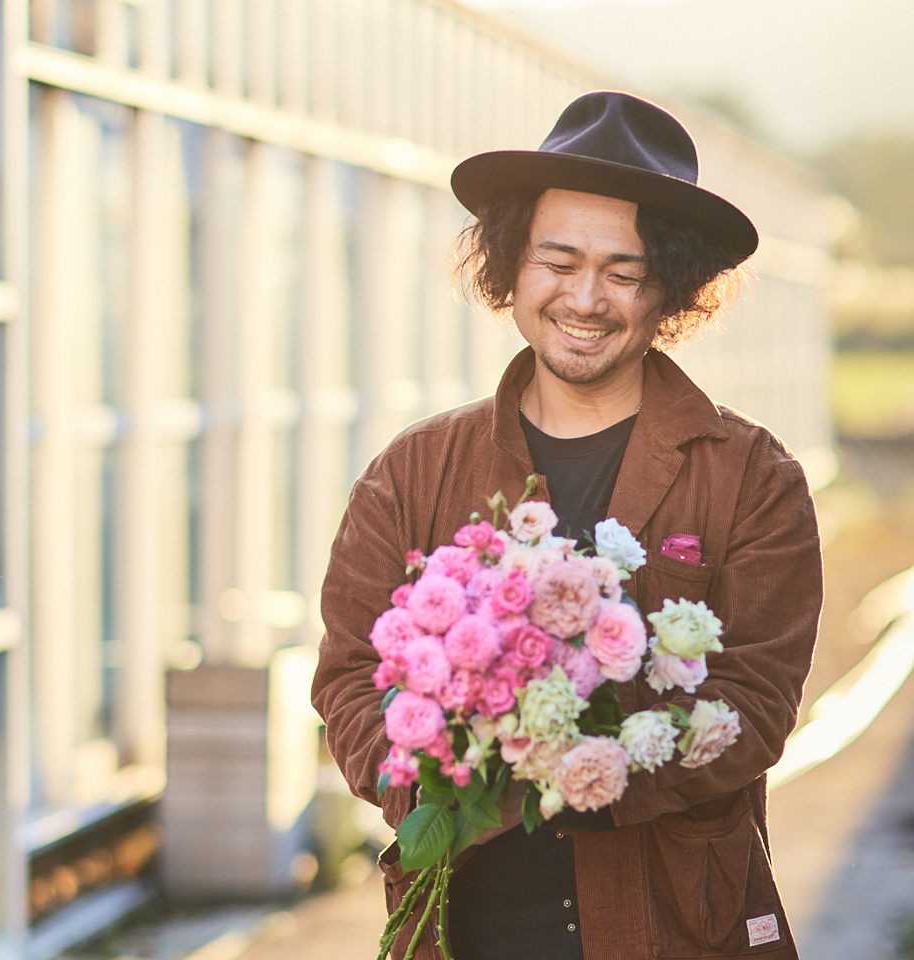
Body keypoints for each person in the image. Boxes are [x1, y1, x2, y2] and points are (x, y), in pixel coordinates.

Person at [311, 91, 823, 960]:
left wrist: (580, 768)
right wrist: (439, 772)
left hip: (674, 929)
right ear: (512, 265)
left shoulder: (750, 478)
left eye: (624, 272)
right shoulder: (415, 471)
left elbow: (758, 707)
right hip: (465, 929)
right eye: (558, 260)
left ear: (672, 290)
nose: (586, 298)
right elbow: (349, 680)